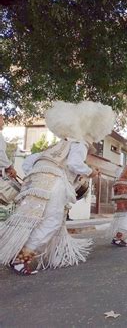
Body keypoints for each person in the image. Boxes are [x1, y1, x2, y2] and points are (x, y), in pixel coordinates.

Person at [0, 101, 115, 275]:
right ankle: (21, 258)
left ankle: (35, 254)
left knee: (31, 219)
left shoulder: (55, 146)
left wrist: (37, 177)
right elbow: (75, 164)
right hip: (55, 183)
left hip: (35, 183)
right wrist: (90, 172)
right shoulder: (80, 144)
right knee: (52, 221)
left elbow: (29, 163)